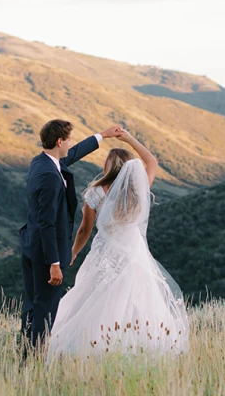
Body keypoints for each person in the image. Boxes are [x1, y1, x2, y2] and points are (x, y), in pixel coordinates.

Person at [47, 128, 190, 358]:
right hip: (134, 252)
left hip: (104, 252)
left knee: (95, 295)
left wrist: (73, 253)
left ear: (108, 166)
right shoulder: (138, 191)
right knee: (135, 298)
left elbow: (84, 230)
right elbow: (152, 161)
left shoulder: (95, 193)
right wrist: (129, 139)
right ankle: (139, 346)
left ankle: (90, 346)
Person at [19, 119, 123, 351]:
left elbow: (74, 153)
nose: (70, 144)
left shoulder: (42, 162)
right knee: (45, 307)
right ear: (59, 141)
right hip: (46, 251)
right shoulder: (50, 177)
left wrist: (103, 135)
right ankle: (33, 358)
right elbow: (47, 223)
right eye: (68, 140)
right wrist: (54, 263)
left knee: (32, 305)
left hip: (30, 244)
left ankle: (25, 352)